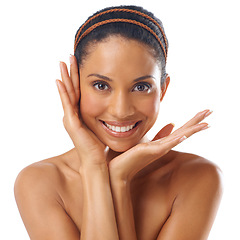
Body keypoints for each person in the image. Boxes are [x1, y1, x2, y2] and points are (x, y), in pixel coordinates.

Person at [14, 5, 222, 240]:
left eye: (141, 87)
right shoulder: (39, 182)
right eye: (101, 86)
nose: (121, 110)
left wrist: (119, 180)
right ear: (76, 86)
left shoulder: (197, 177)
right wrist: (94, 168)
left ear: (162, 90)